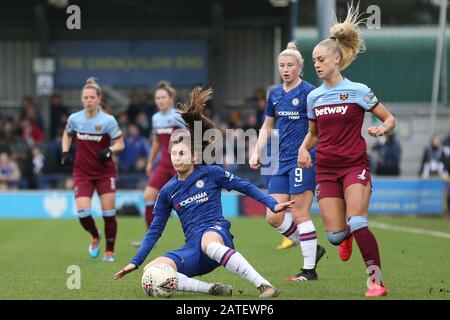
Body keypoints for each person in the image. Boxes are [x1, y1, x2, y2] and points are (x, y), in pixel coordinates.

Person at [114, 87, 294, 298]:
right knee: (151, 272)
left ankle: (264, 285)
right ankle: (211, 288)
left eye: (182, 153)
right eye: (174, 154)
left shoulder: (211, 173)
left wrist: (272, 204)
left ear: (194, 155)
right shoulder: (168, 190)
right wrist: (135, 263)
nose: (177, 158)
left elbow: (245, 186)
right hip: (193, 250)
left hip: (216, 235)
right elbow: (155, 230)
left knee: (207, 243)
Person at [297, 3, 396, 297]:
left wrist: (383, 128)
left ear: (337, 59)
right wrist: (304, 149)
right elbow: (313, 134)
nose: (316, 64)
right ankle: (346, 236)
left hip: (355, 165)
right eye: (313, 60)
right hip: (325, 169)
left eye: (321, 59)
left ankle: (376, 281)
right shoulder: (313, 97)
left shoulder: (359, 90)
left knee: (359, 219)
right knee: (335, 235)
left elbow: (389, 118)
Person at [249, 42, 326, 281]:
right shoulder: (274, 93)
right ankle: (313, 248)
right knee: (273, 215)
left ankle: (308, 270)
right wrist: (256, 151)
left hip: (303, 160)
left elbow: (317, 129)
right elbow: (267, 125)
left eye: (290, 65)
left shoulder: (310, 93)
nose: (285, 69)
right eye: (282, 65)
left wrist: (305, 149)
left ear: (300, 67)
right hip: (279, 161)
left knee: (300, 212)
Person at [61, 77, 125, 262]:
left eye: (92, 97)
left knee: (109, 213)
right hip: (82, 173)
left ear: (99, 98)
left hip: (105, 173)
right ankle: (95, 234)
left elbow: (121, 143)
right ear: (82, 99)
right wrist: (65, 152)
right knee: (83, 212)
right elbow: (67, 133)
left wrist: (110, 149)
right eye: (85, 97)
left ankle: (109, 252)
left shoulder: (108, 120)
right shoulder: (75, 118)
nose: (88, 100)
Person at [136, 81, 186, 241]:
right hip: (164, 163)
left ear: (171, 99)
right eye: (157, 98)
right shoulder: (156, 118)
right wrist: (150, 162)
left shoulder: (179, 116)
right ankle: (150, 237)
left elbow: (190, 137)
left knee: (186, 200)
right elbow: (157, 141)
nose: (160, 100)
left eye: (163, 97)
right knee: (148, 196)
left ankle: (197, 233)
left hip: (180, 163)